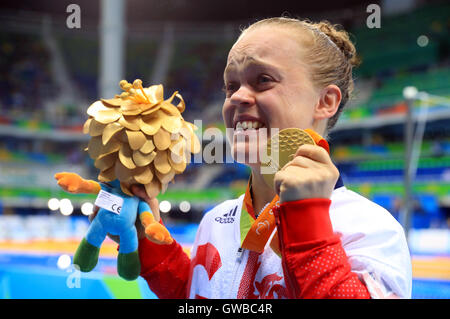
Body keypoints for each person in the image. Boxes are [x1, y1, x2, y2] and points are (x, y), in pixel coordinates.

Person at [116, 17, 411, 299]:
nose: (238, 97)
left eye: (263, 80)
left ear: (325, 101)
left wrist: (308, 223)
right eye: (231, 86)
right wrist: (150, 246)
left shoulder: (369, 228)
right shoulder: (216, 220)